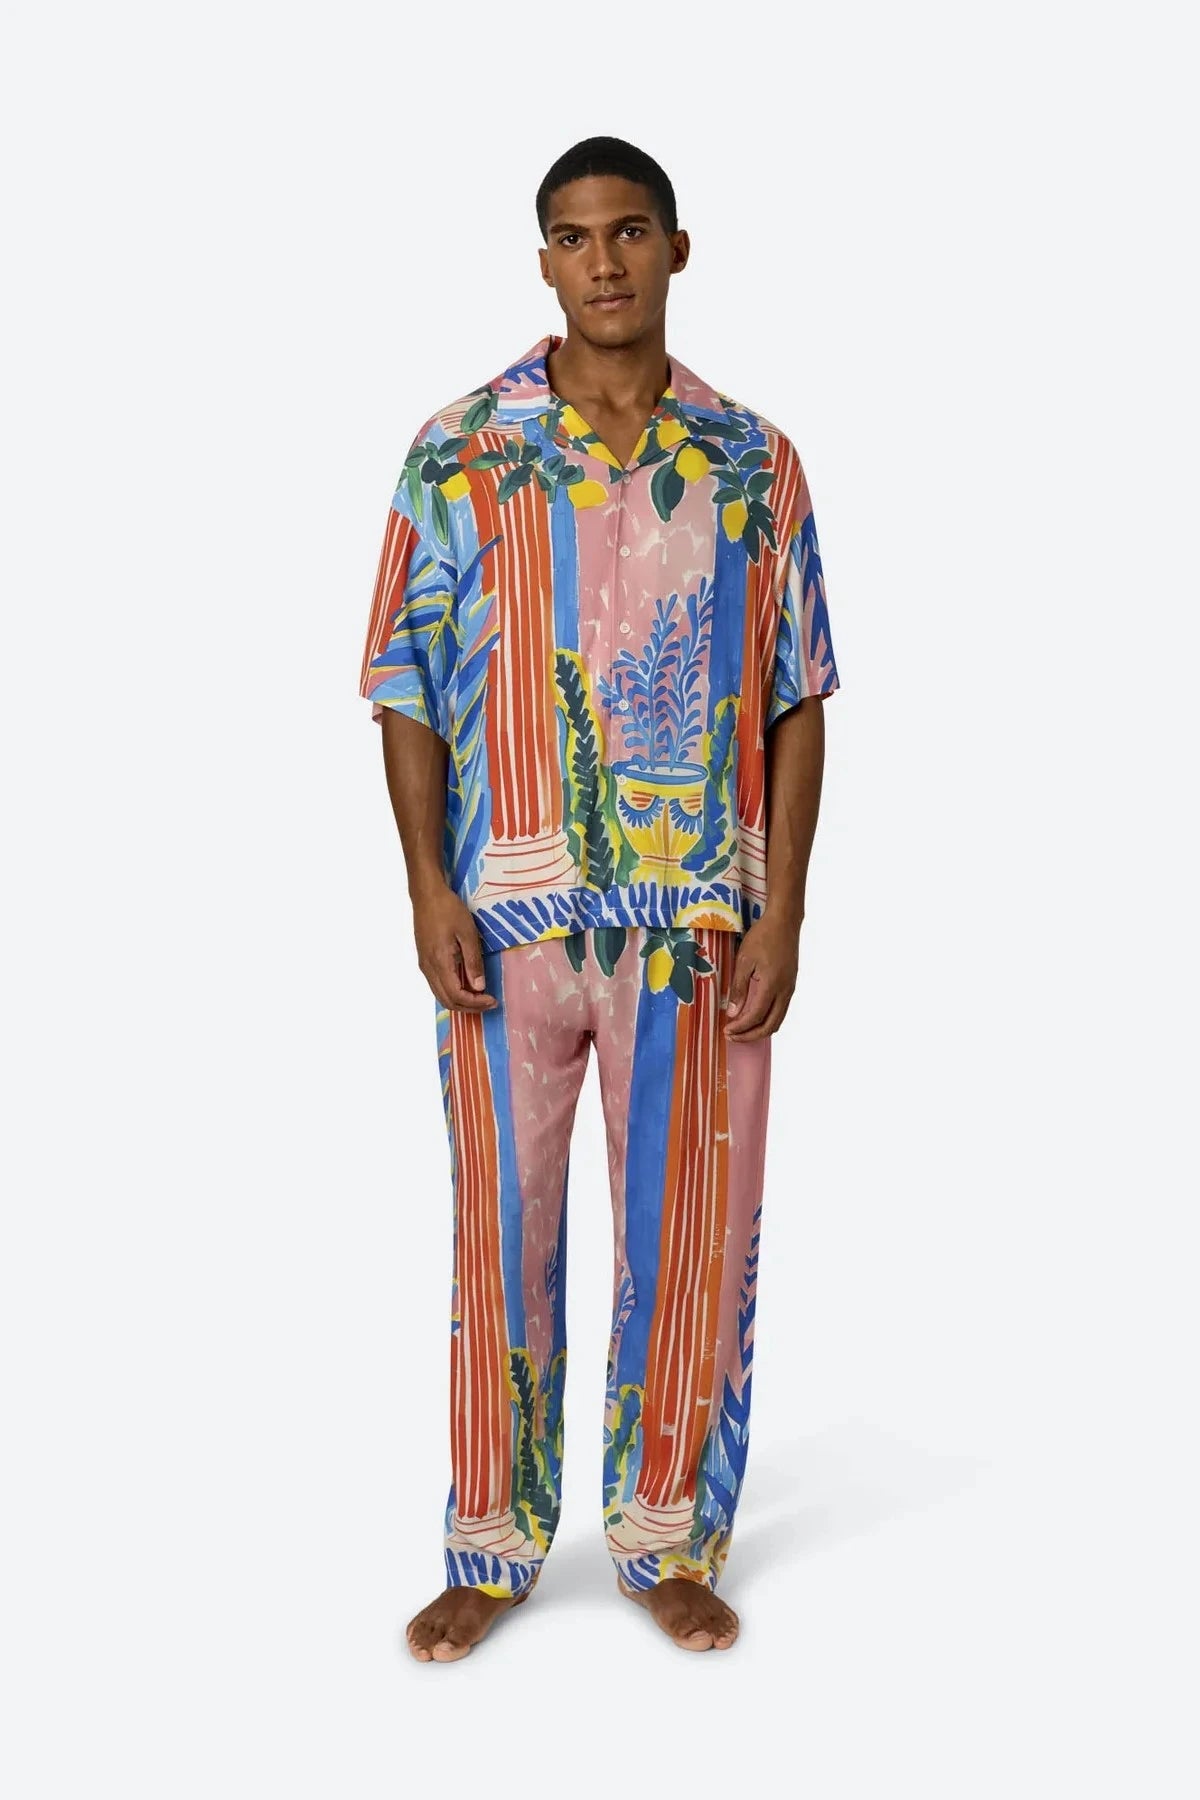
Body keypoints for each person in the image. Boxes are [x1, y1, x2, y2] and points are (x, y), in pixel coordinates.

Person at [358, 135, 840, 1662]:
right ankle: (492, 1546)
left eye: (630, 231)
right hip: (505, 924)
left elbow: (799, 693)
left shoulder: (754, 461)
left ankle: (666, 1540)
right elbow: (404, 686)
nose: (605, 262)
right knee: (500, 1238)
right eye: (574, 237)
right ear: (543, 262)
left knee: (686, 1235)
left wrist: (784, 908)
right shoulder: (460, 453)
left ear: (677, 249)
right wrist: (426, 887)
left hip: (696, 926)